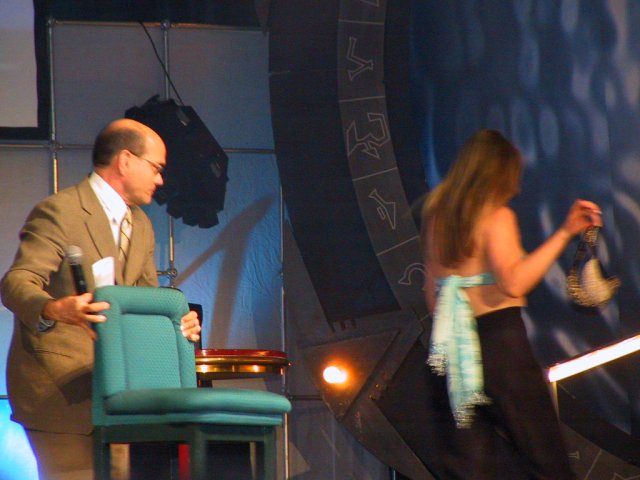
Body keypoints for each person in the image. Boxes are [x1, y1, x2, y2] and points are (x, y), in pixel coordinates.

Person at [1, 118, 201, 480]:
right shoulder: (61, 211)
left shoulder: (140, 225)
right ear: (125, 161)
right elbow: (17, 281)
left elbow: (145, 304)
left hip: (117, 389)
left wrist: (176, 325)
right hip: (59, 389)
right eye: (156, 168)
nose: (160, 180)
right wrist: (53, 308)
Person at [421, 129, 601, 479]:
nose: (516, 187)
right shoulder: (496, 216)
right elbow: (513, 282)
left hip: (449, 351)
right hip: (500, 347)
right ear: (500, 173)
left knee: (467, 470)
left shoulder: (436, 219)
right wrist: (564, 233)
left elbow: (432, 299)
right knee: (546, 460)